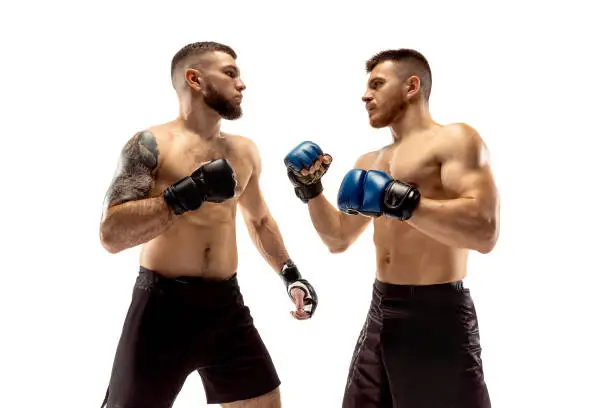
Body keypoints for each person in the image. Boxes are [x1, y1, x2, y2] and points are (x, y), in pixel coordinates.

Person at [98, 41, 318, 408]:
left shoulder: (244, 151)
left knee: (263, 402)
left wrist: (290, 274)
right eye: (230, 73)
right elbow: (111, 234)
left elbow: (260, 220)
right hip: (162, 307)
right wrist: (186, 194)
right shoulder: (150, 144)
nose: (242, 83)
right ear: (194, 79)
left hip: (224, 306)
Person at [284, 48, 500, 408]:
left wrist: (401, 201)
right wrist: (311, 190)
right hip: (380, 310)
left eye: (377, 84)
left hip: (436, 313)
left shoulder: (456, 139)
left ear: (412, 86)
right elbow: (337, 238)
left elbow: (485, 231)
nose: (365, 95)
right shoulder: (371, 162)